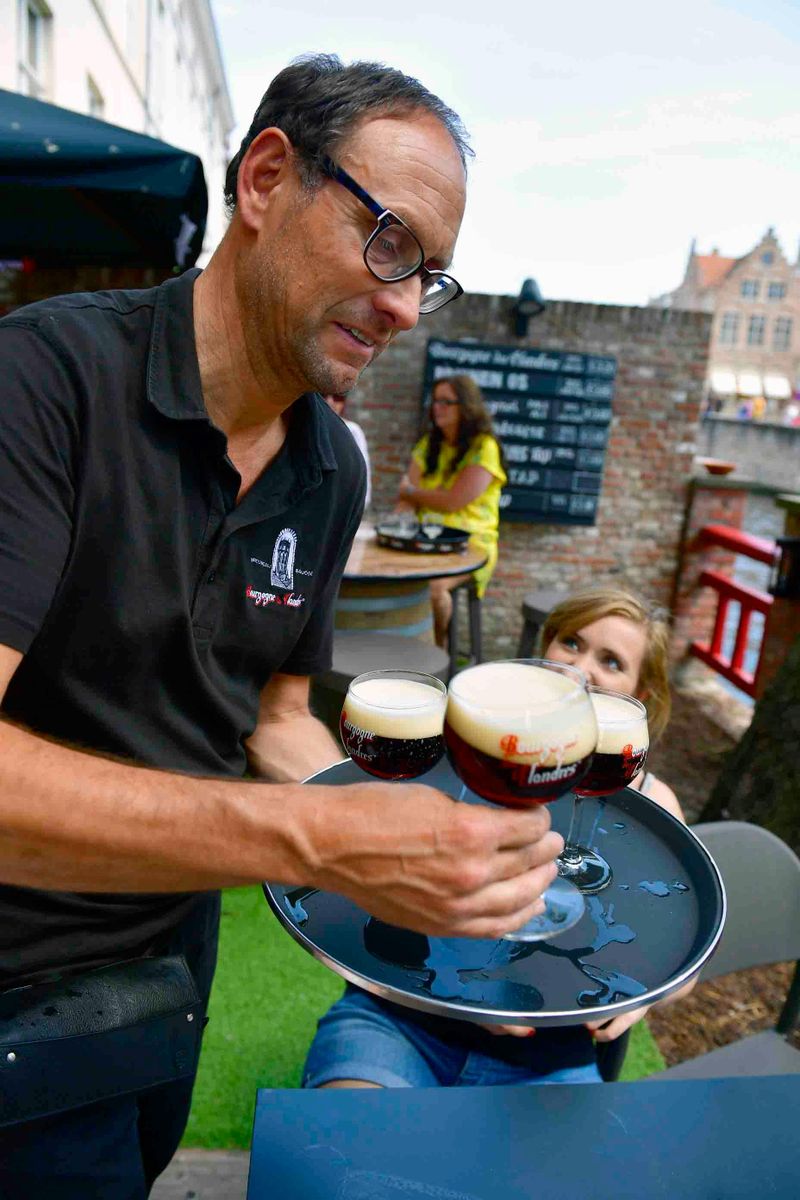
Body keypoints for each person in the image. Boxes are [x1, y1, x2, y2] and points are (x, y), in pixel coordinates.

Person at [0, 55, 562, 1195]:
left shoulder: (330, 467)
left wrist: (436, 850)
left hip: (170, 959)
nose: (404, 306)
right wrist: (316, 840)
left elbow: (272, 716)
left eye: (431, 276)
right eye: (390, 243)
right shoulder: (42, 380)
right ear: (264, 179)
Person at [303, 585, 693, 1091]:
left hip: (548, 1057)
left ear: (642, 693)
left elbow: (682, 956)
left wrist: (644, 993)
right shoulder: (476, 754)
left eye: (612, 661)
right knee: (351, 1129)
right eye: (572, 642)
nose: (582, 668)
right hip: (406, 1015)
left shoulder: (650, 800)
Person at [395, 374, 507, 646]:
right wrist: (399, 522)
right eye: (435, 401)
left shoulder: (484, 447)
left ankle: (435, 656)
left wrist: (411, 492)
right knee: (392, 578)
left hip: (470, 544)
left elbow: (453, 501)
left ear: (466, 406)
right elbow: (406, 499)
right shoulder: (428, 444)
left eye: (446, 402)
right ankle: (398, 651)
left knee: (433, 588)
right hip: (426, 539)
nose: (438, 407)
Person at [324, 393, 372, 507]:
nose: (330, 402)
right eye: (323, 396)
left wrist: (361, 502)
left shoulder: (352, 430)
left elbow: (362, 469)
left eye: (337, 397)